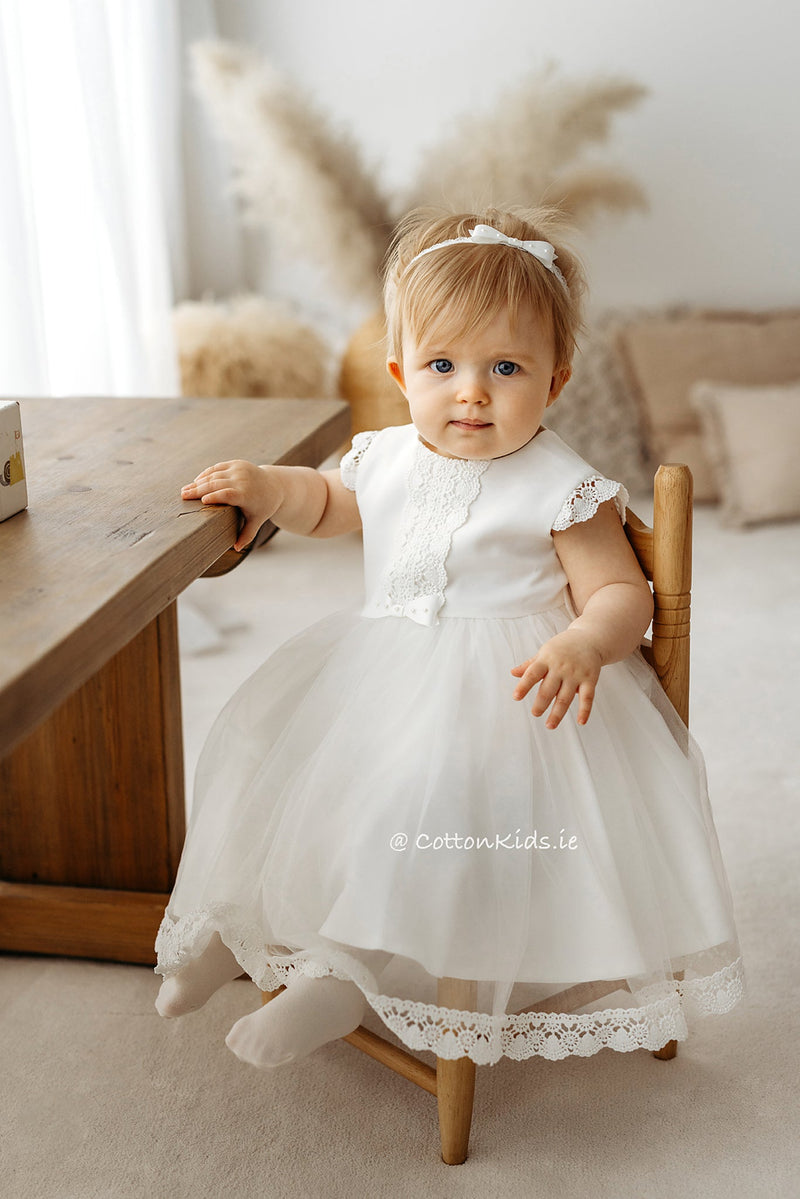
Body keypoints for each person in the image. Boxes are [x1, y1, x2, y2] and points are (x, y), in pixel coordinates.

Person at [154, 207, 745, 1068]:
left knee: (423, 803)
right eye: (443, 364)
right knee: (273, 756)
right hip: (382, 671)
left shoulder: (561, 482)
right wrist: (268, 487)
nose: (471, 390)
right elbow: (327, 504)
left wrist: (584, 642)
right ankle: (236, 929)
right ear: (402, 371)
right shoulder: (390, 454)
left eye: (505, 367)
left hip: (511, 694)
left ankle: (346, 977)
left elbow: (621, 590)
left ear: (556, 380)